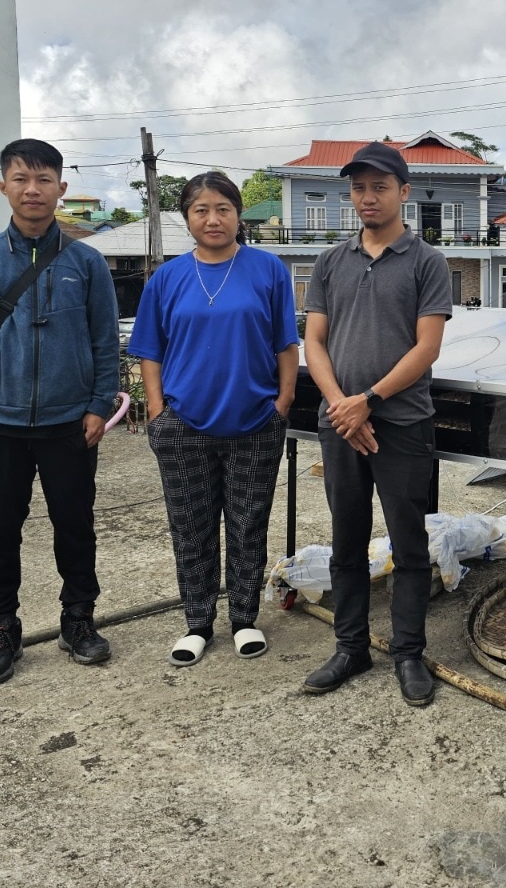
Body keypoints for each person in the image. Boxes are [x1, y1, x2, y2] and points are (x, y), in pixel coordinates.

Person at [0, 138, 120, 685]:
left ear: (61, 189)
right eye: (21, 179)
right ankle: (1, 630)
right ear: (4, 187)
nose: (33, 189)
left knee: (75, 526)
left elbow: (104, 341)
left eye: (44, 180)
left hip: (71, 422)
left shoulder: (87, 263)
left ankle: (78, 620)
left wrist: (97, 406)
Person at [302, 142, 452, 707]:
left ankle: (409, 652)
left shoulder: (425, 261)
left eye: (380, 187)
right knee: (347, 538)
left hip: (404, 422)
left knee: (408, 543)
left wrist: (369, 399)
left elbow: (427, 347)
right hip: (340, 422)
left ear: (403, 192)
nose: (368, 197)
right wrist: (344, 405)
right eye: (359, 188)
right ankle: (351, 646)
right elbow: (314, 342)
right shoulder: (330, 261)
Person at [130, 171, 299, 667]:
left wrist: (282, 402)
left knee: (248, 524)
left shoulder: (267, 270)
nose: (213, 218)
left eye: (223, 208)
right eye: (201, 210)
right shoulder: (166, 278)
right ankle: (197, 623)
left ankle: (245, 619)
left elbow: (285, 344)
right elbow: (149, 352)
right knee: (191, 526)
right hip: (183, 425)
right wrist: (159, 412)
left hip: (254, 422)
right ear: (187, 218)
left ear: (238, 214)